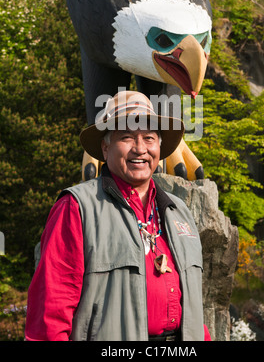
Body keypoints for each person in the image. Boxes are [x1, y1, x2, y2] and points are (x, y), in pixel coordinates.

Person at [25, 90, 211, 341]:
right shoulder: (77, 208)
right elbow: (51, 311)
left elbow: (193, 308)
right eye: (126, 137)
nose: (140, 149)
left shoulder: (179, 211)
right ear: (105, 148)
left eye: (149, 138)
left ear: (159, 146)